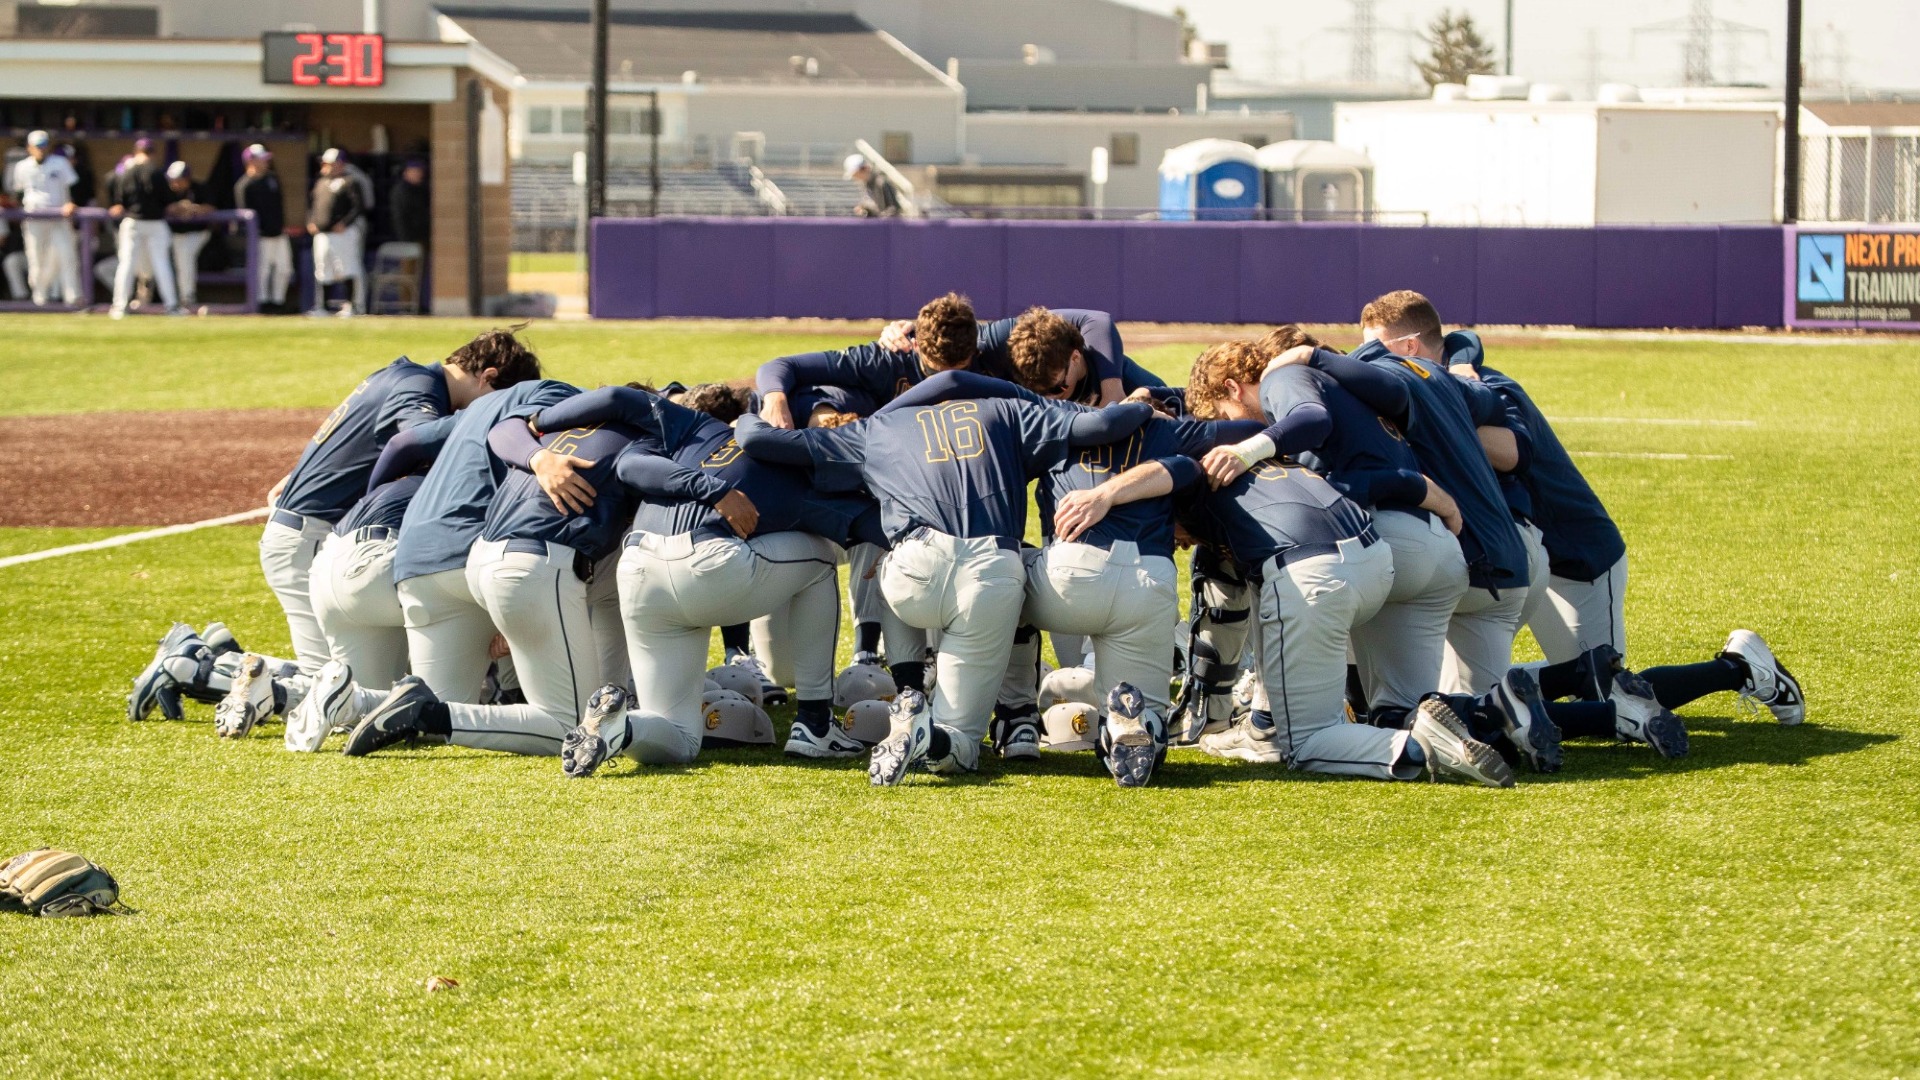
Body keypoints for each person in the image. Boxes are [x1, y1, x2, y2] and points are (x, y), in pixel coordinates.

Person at [735, 374, 1155, 785]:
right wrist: (1141, 402)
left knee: (885, 564)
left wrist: (753, 413)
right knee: (960, 743)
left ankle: (909, 694)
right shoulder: (1009, 409)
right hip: (990, 572)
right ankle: (997, 723)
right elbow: (1105, 424)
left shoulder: (877, 426)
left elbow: (758, 441)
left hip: (914, 566)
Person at [1442, 329, 1804, 737]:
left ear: (1412, 346)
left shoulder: (1487, 386)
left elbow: (1508, 449)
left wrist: (1445, 405)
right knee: (1461, 691)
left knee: (1610, 699)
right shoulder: (1431, 372)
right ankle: (1519, 691)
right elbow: (1456, 338)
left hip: (1574, 556)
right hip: (1512, 555)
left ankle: (1739, 668)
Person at [203, 330, 544, 738]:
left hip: (310, 532)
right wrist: (498, 420)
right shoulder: (419, 384)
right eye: (495, 398)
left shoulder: (403, 375)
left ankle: (219, 663)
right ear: (487, 376)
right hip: (316, 536)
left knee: (357, 692)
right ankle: (198, 666)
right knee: (327, 684)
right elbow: (417, 437)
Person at [107, 138, 180, 318]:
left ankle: (119, 306)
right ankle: (172, 306)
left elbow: (120, 202)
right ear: (152, 153)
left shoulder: (126, 172)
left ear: (136, 151)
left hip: (132, 222)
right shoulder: (157, 172)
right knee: (161, 264)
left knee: (126, 264)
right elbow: (169, 203)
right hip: (155, 222)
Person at [7, 131, 82, 307]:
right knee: (36, 258)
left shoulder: (60, 163)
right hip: (34, 218)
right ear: (29, 148)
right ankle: (39, 297)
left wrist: (71, 203)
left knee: (67, 255)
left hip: (59, 216)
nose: (41, 149)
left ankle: (73, 297)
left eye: (44, 145)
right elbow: (18, 193)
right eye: (37, 146)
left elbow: (74, 189)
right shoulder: (22, 167)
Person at [234, 144, 292, 312]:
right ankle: (263, 304)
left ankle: (278, 303)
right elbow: (245, 216)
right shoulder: (244, 185)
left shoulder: (272, 178)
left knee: (284, 269)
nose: (266, 162)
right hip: (260, 236)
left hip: (279, 233)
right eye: (261, 159)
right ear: (250, 161)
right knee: (262, 272)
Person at [308, 148, 365, 317]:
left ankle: (351, 306)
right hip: (323, 233)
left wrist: (345, 222)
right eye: (325, 163)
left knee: (347, 267)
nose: (327, 167)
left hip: (343, 233)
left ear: (341, 164)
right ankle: (322, 306)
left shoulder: (350, 181)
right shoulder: (321, 183)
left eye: (331, 164)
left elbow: (358, 207)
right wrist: (311, 221)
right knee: (323, 269)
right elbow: (314, 205)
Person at [164, 160, 216, 311]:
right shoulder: (167, 191)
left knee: (184, 254)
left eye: (178, 180)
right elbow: (161, 207)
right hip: (173, 234)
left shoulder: (199, 188)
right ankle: (147, 298)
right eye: (172, 180)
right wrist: (178, 208)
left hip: (198, 233)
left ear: (187, 178)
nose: (175, 184)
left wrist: (194, 209)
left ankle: (187, 297)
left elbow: (211, 207)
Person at [844, 153, 900, 218]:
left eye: (856, 174)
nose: (856, 178)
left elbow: (893, 209)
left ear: (864, 169)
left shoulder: (881, 182)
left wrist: (880, 221)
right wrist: (865, 209)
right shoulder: (866, 185)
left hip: (886, 226)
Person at [389, 159, 429, 246]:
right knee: (410, 258)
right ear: (407, 172)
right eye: (416, 171)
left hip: (422, 235)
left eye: (421, 171)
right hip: (409, 238)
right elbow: (400, 217)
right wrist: (406, 240)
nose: (420, 174)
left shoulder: (421, 189)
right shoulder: (401, 190)